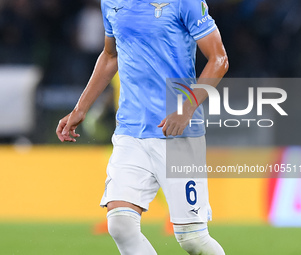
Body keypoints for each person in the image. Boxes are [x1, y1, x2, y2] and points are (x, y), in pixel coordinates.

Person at [56, 0, 228, 254]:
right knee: (120, 225)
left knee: (192, 239)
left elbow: (219, 59)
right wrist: (81, 108)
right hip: (130, 131)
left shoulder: (186, 2)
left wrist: (187, 108)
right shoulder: (112, 2)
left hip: (178, 133)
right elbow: (110, 55)